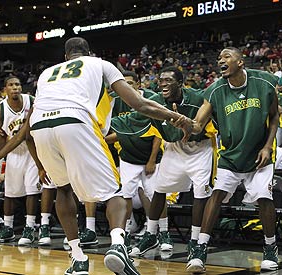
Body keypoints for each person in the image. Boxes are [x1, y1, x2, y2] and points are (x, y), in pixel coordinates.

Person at [28, 37, 192, 275]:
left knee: (62, 189)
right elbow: (140, 104)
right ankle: (118, 246)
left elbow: (34, 113)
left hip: (39, 125)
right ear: (89, 53)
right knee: (116, 191)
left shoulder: (46, 73)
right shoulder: (100, 64)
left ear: (66, 57)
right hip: (74, 118)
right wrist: (179, 119)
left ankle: (78, 258)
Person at [179, 47, 279, 273]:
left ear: (240, 62)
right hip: (231, 156)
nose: (221, 60)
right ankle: (200, 249)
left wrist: (267, 147)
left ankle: (271, 248)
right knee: (216, 195)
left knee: (264, 197)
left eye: (226, 56)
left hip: (258, 156)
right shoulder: (215, 91)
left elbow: (274, 116)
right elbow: (197, 125)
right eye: (219, 57)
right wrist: (185, 122)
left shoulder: (264, 83)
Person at [124, 66, 216, 259]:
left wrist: (188, 124)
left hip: (201, 147)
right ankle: (151, 234)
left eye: (168, 80)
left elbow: (207, 122)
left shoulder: (198, 99)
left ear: (181, 84)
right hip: (174, 148)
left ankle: (195, 241)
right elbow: (134, 117)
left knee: (200, 192)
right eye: (161, 80)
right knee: (159, 189)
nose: (163, 83)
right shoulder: (156, 101)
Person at [105, 70, 171, 250]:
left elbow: (158, 134)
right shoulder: (115, 102)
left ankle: (163, 234)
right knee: (125, 194)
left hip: (151, 157)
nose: (125, 87)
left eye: (130, 84)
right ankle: (124, 233)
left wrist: (151, 160)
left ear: (138, 85)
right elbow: (113, 132)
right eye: (122, 84)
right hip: (128, 156)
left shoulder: (151, 99)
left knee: (156, 194)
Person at [0, 76, 54, 246]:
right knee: (10, 193)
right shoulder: (0, 109)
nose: (15, 87)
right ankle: (8, 229)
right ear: (5, 89)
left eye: (18, 84)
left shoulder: (31, 102)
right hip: (13, 153)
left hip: (33, 152)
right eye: (11, 85)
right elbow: (2, 136)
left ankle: (30, 227)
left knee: (32, 191)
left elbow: (24, 135)